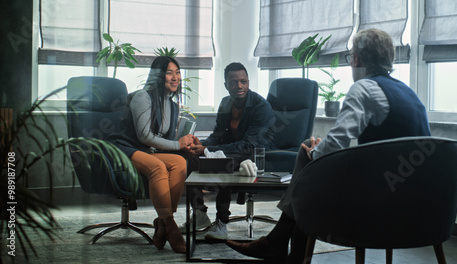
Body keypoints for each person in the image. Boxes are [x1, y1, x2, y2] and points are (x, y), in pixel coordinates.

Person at [225, 28, 431, 263]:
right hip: (421, 202)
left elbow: (338, 142)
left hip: (379, 198)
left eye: (350, 56)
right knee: (308, 169)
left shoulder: (364, 88)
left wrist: (315, 151)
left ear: (356, 59)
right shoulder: (408, 92)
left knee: (305, 159)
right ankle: (282, 247)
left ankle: (281, 245)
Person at [179, 62, 276, 240]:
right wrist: (199, 145)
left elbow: (249, 145)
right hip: (233, 150)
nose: (239, 85)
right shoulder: (225, 103)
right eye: (233, 82)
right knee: (189, 156)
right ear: (226, 85)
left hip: (256, 152)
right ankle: (199, 213)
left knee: (223, 161)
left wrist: (208, 149)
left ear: (248, 82)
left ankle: (222, 223)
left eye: (243, 81)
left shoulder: (261, 106)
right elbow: (218, 136)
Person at [108, 56, 195, 253]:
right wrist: (176, 144)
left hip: (146, 151)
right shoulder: (142, 97)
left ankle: (162, 223)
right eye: (169, 73)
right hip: (124, 148)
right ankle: (171, 227)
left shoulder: (172, 106)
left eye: (178, 72)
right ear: (158, 75)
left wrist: (184, 144)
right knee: (157, 167)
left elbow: (163, 142)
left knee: (179, 163)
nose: (175, 78)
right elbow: (145, 135)